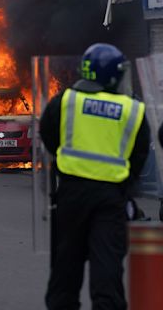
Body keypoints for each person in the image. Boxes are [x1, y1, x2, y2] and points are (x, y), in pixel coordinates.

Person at [40, 43, 150, 310]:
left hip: (71, 196)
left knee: (65, 274)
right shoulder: (131, 109)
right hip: (110, 200)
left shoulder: (66, 100)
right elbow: (139, 155)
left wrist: (68, 162)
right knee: (107, 275)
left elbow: (48, 135)